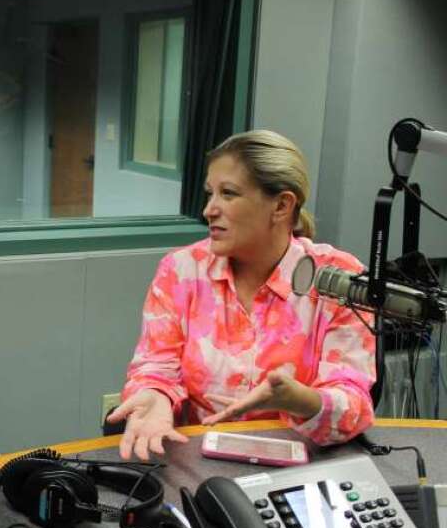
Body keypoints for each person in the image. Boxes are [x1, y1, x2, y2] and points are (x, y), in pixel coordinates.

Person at [107, 130, 376, 461]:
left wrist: (299, 400)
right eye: (210, 194)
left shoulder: (337, 278)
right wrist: (155, 395)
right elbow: (155, 367)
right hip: (197, 463)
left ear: (281, 205)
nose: (209, 209)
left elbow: (354, 405)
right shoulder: (181, 271)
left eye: (228, 194)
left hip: (301, 468)